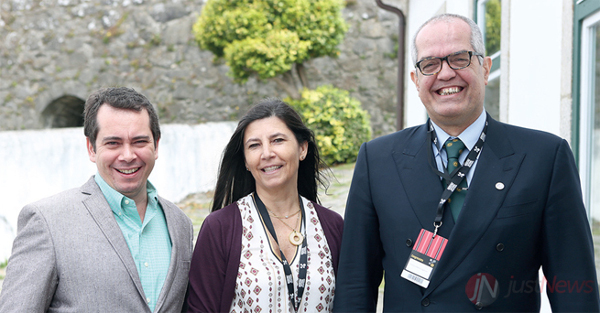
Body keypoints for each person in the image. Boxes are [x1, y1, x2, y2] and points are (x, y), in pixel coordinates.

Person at [333, 13, 600, 312]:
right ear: (416, 80)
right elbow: (355, 282)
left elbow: (573, 282)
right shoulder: (377, 160)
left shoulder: (545, 156)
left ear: (485, 68)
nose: (445, 74)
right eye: (430, 64)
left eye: (459, 58)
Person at [0, 87, 193, 312]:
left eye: (140, 141)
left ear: (156, 145)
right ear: (91, 148)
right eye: (113, 143)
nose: (128, 155)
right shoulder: (47, 222)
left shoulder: (181, 224)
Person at [186, 98, 344, 312]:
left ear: (302, 148)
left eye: (277, 140)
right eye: (254, 145)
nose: (267, 153)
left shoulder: (333, 227)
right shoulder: (220, 228)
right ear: (245, 160)